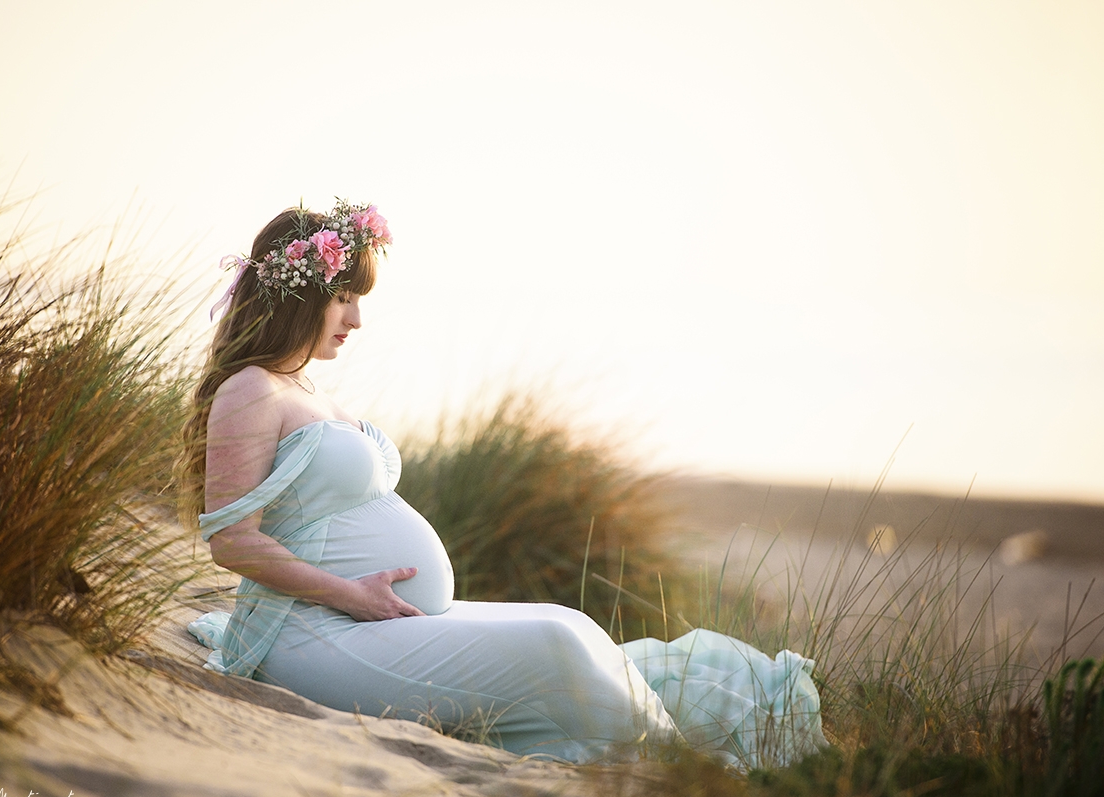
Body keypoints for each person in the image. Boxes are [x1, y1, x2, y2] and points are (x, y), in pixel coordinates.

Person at [179, 200, 826, 767]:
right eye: (343, 298)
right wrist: (348, 594)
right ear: (300, 294)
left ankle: (680, 744)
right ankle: (681, 768)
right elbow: (232, 541)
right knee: (554, 644)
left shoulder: (303, 388)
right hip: (315, 635)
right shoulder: (249, 390)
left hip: (364, 620)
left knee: (568, 623)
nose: (355, 318)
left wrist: (362, 598)